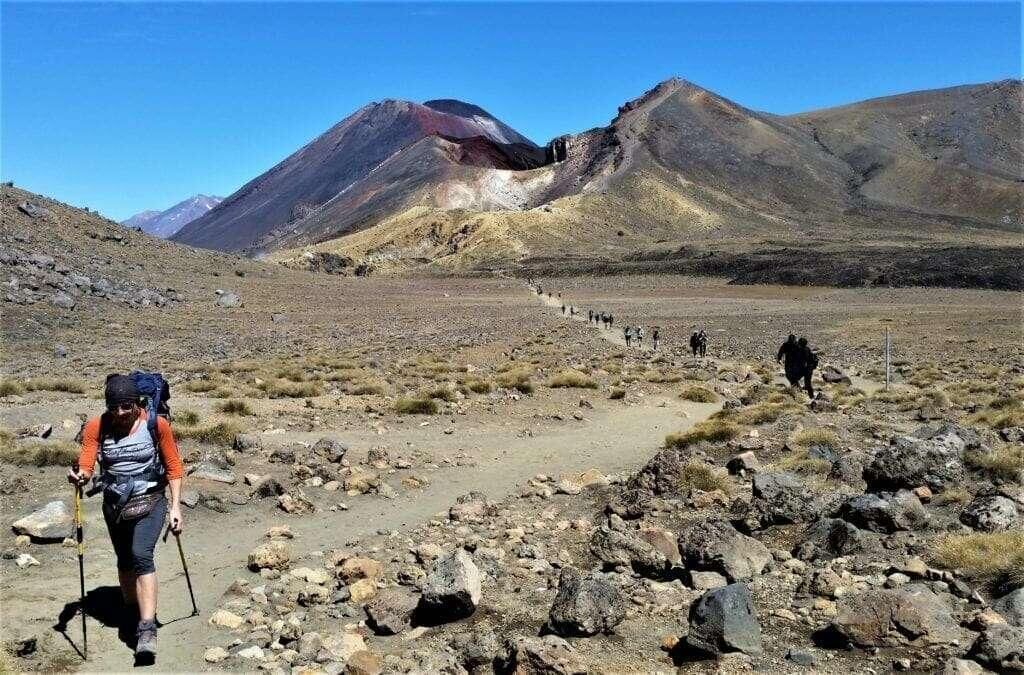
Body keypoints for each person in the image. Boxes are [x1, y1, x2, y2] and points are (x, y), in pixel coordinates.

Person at [67, 375, 184, 662]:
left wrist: (176, 507)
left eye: (126, 406)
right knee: (124, 560)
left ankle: (146, 630)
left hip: (151, 501)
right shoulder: (98, 425)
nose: (120, 413)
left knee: (141, 554)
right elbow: (87, 460)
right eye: (114, 407)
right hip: (115, 504)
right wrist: (82, 475)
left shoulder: (157, 425)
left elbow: (173, 467)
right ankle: (132, 611)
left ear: (138, 403)